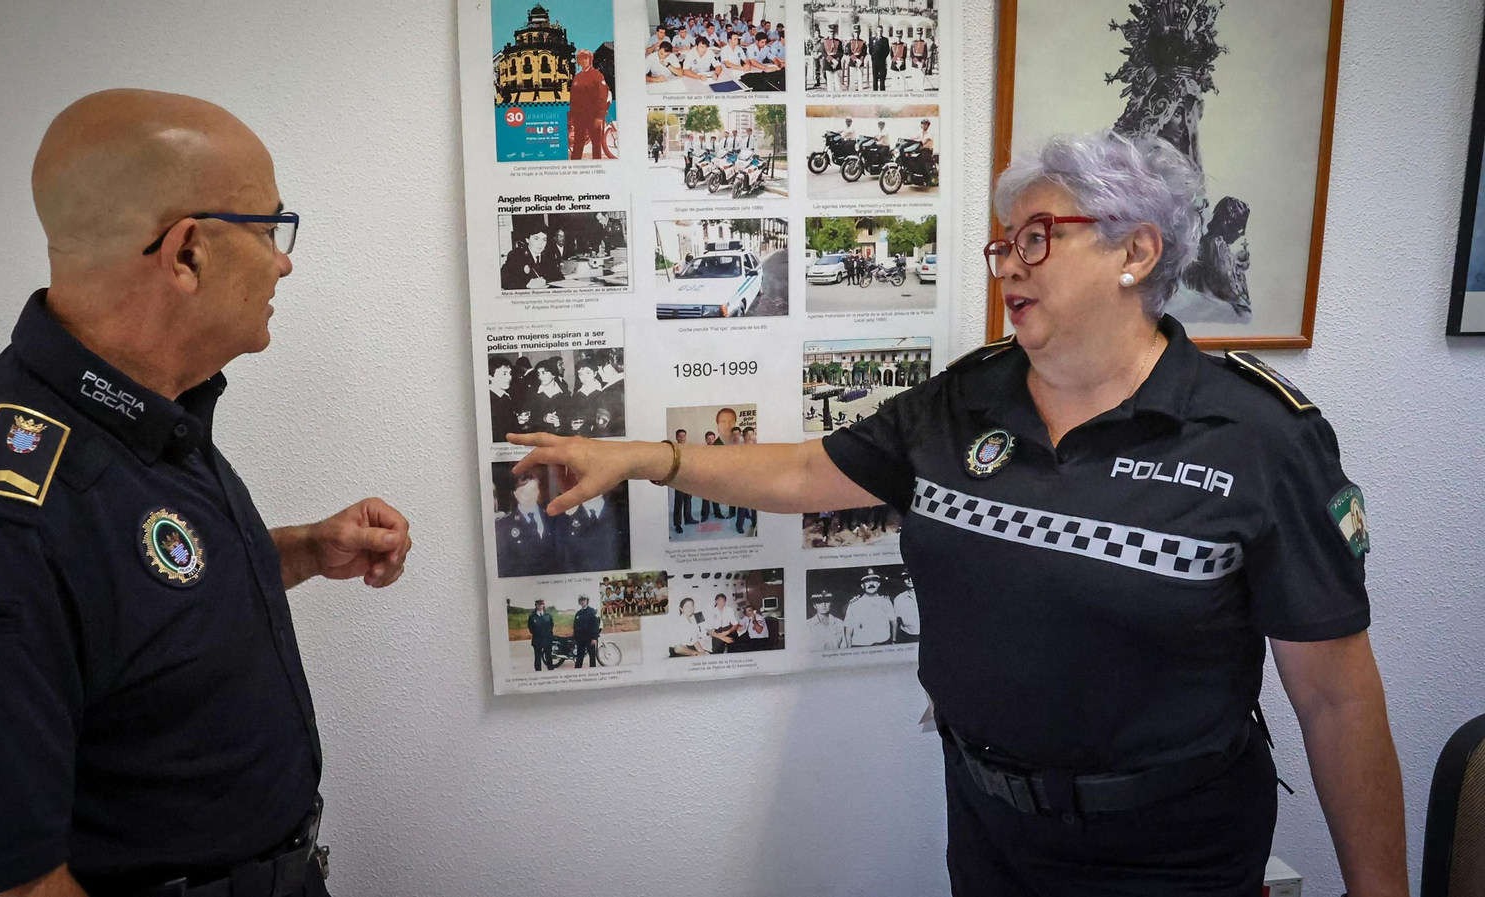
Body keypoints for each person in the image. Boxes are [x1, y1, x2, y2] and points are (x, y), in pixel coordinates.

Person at [506, 129, 1406, 895]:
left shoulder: (1256, 435)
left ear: (1137, 253)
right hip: (989, 833)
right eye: (1005, 244)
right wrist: (648, 459)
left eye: (1040, 239)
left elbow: (1335, 698)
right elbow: (805, 474)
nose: (1010, 263)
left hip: (1172, 853)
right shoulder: (965, 399)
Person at [0, 89, 417, 897]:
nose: (285, 259)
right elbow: (9, 887)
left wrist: (303, 550)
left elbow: (139, 599)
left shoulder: (137, 409)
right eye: (272, 226)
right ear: (187, 253)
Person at [496, 468, 559, 577]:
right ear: (515, 494)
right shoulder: (503, 525)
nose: (528, 496)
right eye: (523, 492)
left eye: (532, 490)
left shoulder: (553, 518)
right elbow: (504, 566)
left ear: (538, 491)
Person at [568, 49, 611, 160]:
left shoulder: (597, 75)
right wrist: (572, 116)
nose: (584, 61)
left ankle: (597, 168)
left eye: (586, 58)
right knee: (578, 145)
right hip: (579, 117)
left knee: (596, 145)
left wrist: (598, 117)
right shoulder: (577, 78)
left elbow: (602, 97)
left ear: (590, 60)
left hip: (593, 117)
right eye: (582, 59)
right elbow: (573, 99)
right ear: (579, 61)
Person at [843, 569, 895, 647]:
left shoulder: (886, 602)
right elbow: (848, 629)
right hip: (861, 646)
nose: (871, 584)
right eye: (867, 581)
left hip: (883, 643)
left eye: (874, 581)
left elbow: (894, 621)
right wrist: (849, 649)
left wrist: (894, 640)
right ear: (862, 585)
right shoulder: (854, 604)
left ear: (878, 584)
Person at [670, 428, 697, 533]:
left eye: (684, 436)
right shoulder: (674, 449)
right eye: (680, 436)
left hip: (688, 478)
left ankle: (688, 518)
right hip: (678, 478)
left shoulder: (689, 448)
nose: (682, 438)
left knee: (688, 499)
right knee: (678, 501)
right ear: (676, 437)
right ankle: (677, 524)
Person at [488, 354, 519, 442]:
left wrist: (517, 421)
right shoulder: (490, 400)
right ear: (490, 376)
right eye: (504, 373)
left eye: (510, 373)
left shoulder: (505, 396)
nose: (509, 377)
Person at [572, 596, 602, 668]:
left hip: (590, 638)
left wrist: (594, 638)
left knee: (592, 656)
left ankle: (593, 671)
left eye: (584, 600)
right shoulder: (578, 614)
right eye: (581, 600)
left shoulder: (592, 612)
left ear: (587, 601)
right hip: (581, 639)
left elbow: (595, 625)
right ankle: (577, 671)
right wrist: (575, 639)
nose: (583, 602)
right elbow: (575, 627)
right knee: (579, 657)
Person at [527, 599, 556, 671]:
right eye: (538, 605)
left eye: (541, 604)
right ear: (536, 606)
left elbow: (551, 625)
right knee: (537, 658)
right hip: (537, 641)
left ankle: (550, 672)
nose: (540, 606)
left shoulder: (548, 616)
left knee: (548, 657)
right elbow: (530, 628)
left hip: (547, 640)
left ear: (543, 605)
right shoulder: (532, 616)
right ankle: (538, 672)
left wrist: (548, 635)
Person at [893, 573, 920, 644]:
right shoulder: (899, 599)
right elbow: (896, 621)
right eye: (906, 577)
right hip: (907, 636)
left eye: (912, 576)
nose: (910, 580)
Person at [869, 26, 890, 91]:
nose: (880, 32)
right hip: (875, 61)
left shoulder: (885, 40)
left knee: (882, 78)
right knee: (875, 77)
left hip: (882, 61)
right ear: (876, 31)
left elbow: (887, 50)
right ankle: (875, 92)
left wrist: (883, 57)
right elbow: (870, 50)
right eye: (878, 31)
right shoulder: (872, 39)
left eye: (881, 31)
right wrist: (874, 57)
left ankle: (882, 92)